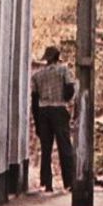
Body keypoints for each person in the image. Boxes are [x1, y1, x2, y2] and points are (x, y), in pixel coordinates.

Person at [31, 46, 75, 192]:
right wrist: (65, 99)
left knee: (46, 148)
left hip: (43, 111)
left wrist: (37, 121)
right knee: (65, 147)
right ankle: (69, 181)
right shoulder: (64, 70)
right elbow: (70, 89)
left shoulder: (37, 75)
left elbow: (34, 99)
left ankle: (47, 182)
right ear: (58, 57)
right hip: (59, 108)